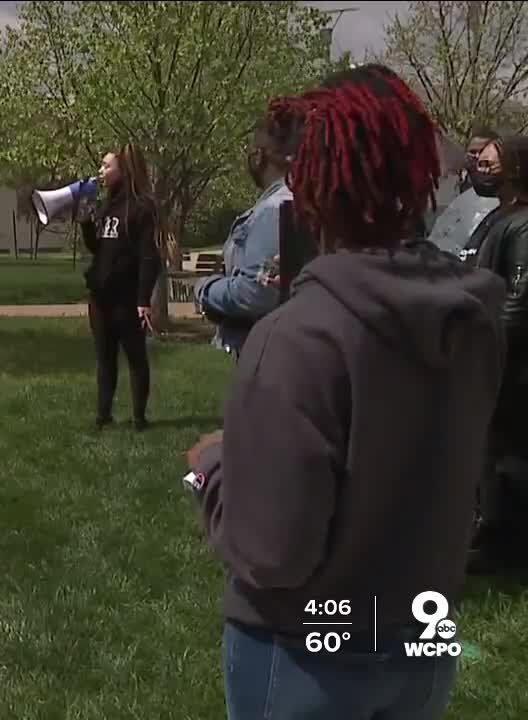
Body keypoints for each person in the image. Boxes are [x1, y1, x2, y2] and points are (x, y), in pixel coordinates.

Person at [183, 64, 504, 720]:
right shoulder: (474, 318)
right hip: (420, 641)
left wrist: (216, 467)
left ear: (310, 178)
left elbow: (272, 554)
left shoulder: (295, 338)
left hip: (303, 654)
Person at [465, 135, 528, 574]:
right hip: (489, 353)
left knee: (508, 452)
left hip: (513, 364)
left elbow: (522, 295)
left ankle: (509, 546)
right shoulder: (496, 218)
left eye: (492, 161)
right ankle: (492, 533)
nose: (481, 166)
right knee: (489, 449)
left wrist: (493, 343)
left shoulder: (522, 224)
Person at [194, 105, 302, 357]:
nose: (252, 156)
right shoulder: (291, 201)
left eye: (255, 148)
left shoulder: (276, 209)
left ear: (264, 156)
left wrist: (205, 289)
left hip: (268, 354)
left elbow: (255, 293)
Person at [81, 143, 161, 431]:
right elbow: (97, 249)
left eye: (107, 166)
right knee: (105, 359)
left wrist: (143, 300)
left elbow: (149, 257)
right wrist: (87, 224)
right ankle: (103, 416)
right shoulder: (106, 206)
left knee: (136, 358)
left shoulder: (141, 207)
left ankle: (139, 418)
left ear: (123, 170)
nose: (101, 171)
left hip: (127, 299)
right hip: (101, 297)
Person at [428, 128, 502, 257]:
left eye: (484, 152)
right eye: (473, 152)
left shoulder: (506, 202)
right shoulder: (462, 198)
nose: (478, 157)